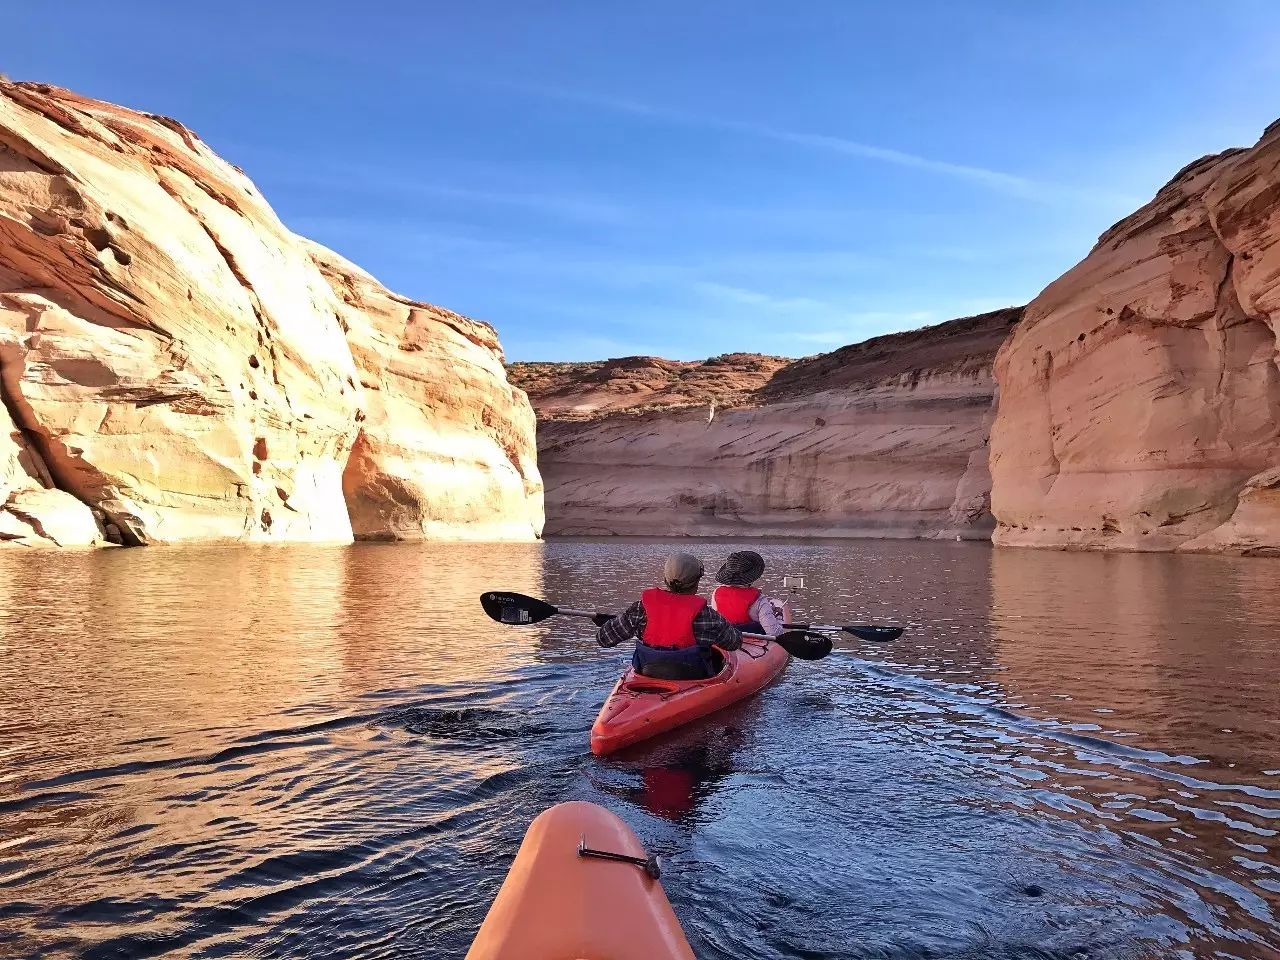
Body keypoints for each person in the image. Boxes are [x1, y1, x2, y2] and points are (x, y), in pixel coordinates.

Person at [595, 552, 742, 680]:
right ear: (696, 583)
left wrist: (615, 622)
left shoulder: (641, 609)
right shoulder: (706, 615)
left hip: (648, 673)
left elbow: (603, 639)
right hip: (693, 676)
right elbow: (734, 642)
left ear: (666, 580)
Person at [710, 550, 787, 636]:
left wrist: (770, 610)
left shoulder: (716, 593)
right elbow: (774, 633)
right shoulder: (759, 599)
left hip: (727, 639)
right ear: (751, 577)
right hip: (754, 641)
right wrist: (779, 619)